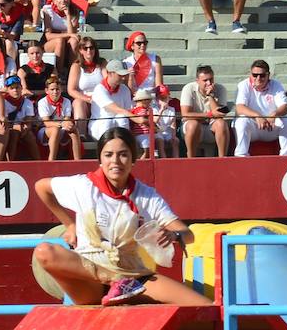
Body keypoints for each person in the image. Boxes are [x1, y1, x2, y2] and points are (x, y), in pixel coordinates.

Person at [33, 127, 209, 307]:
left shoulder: (146, 195)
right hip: (90, 276)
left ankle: (123, 284)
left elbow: (188, 234)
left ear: (133, 159)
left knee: (205, 307)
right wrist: (69, 225)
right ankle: (117, 282)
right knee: (44, 251)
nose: (115, 161)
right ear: (100, 160)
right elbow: (41, 187)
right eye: (108, 155)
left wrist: (174, 235)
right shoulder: (83, 185)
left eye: (123, 154)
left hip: (133, 274)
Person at [234, 58, 287, 156]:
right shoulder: (243, 85)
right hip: (253, 128)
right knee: (241, 120)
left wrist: (274, 114)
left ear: (268, 75)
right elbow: (239, 108)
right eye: (255, 75)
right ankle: (241, 156)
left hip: (271, 126)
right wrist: (257, 116)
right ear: (250, 74)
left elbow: (285, 107)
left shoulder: (276, 84)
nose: (258, 78)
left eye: (262, 75)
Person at [179, 64, 232, 157]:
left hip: (211, 127)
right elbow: (185, 114)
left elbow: (219, 114)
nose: (209, 83)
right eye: (205, 80)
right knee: (193, 124)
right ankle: (190, 159)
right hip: (192, 128)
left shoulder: (220, 89)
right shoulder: (188, 88)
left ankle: (223, 159)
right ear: (197, 81)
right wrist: (210, 114)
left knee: (221, 124)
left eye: (211, 79)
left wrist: (210, 96)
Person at [89, 58, 135, 142]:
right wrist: (136, 118)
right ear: (109, 73)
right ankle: (104, 145)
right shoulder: (99, 89)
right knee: (107, 120)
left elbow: (127, 111)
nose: (123, 78)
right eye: (120, 75)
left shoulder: (125, 89)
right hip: (99, 126)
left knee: (122, 118)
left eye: (124, 75)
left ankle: (124, 144)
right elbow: (113, 108)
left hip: (116, 124)